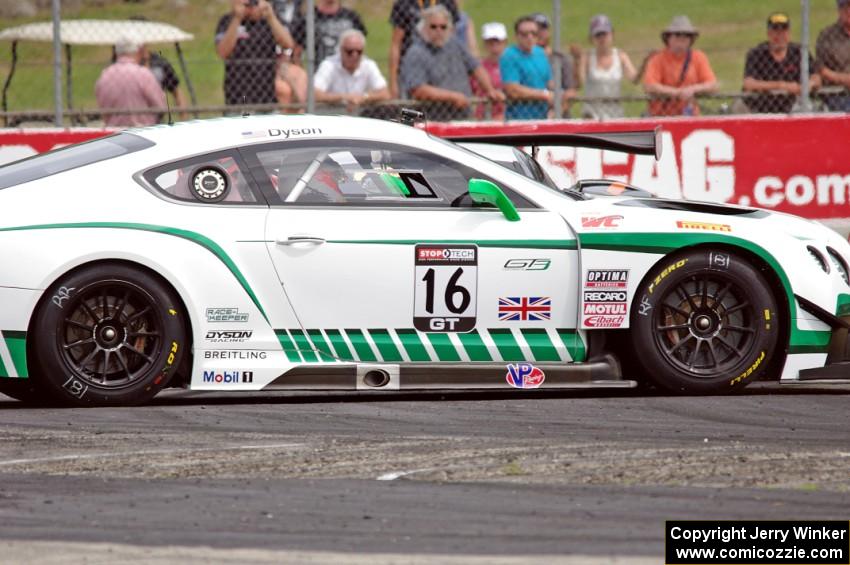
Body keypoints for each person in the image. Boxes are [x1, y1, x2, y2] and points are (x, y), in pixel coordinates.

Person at [400, 5, 503, 121]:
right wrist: (452, 97)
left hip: (462, 115)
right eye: (433, 27)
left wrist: (489, 90)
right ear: (423, 28)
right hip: (430, 120)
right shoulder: (415, 53)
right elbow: (418, 90)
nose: (438, 31)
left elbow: (475, 67)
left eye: (443, 27)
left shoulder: (455, 44)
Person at [215, 0, 294, 107]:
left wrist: (270, 17)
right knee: (243, 116)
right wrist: (237, 19)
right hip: (238, 94)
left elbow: (288, 44)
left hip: (267, 93)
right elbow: (222, 52)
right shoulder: (226, 21)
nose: (250, 6)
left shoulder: (268, 21)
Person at [743, 12, 820, 114]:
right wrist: (781, 86)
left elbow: (817, 79)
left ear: (789, 33)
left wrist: (808, 85)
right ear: (769, 33)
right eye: (775, 31)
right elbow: (749, 84)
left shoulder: (799, 52)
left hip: (793, 107)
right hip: (760, 107)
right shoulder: (757, 53)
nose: (780, 36)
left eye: (783, 31)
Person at [642, 15, 717, 116]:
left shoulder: (699, 57)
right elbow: (649, 86)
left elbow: (712, 84)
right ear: (668, 38)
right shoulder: (657, 59)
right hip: (661, 116)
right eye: (677, 34)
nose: (682, 38)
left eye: (686, 35)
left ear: (691, 39)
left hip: (690, 116)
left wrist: (693, 89)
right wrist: (676, 93)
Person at [389, 0, 460, 99]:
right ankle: (414, 115)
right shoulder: (404, 4)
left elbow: (452, 38)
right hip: (410, 68)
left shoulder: (447, 2)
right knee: (409, 108)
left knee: (443, 102)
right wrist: (393, 82)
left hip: (442, 67)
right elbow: (396, 44)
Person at [576, 14, 637, 120]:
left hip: (615, 114)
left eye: (604, 34)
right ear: (592, 38)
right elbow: (580, 83)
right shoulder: (587, 57)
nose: (602, 38)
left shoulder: (621, 56)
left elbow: (634, 79)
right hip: (592, 114)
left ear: (612, 34)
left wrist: (646, 64)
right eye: (598, 35)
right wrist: (577, 62)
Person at [314, 29, 390, 114]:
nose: (355, 55)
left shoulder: (368, 65)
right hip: (332, 116)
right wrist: (344, 98)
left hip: (360, 118)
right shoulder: (328, 65)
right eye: (349, 52)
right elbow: (315, 94)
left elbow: (385, 93)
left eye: (359, 52)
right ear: (341, 50)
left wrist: (363, 98)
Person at [95, 38, 165, 127]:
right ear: (137, 51)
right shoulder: (143, 74)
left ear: (116, 52)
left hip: (114, 133)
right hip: (142, 131)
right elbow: (160, 105)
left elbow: (102, 107)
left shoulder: (105, 75)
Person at [500, 16, 552, 120]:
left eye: (534, 33)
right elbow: (512, 90)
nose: (530, 37)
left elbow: (549, 83)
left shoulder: (540, 54)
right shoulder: (510, 55)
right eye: (524, 34)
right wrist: (543, 94)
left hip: (542, 117)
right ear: (516, 36)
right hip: (518, 119)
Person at [290, 0, 367, 67]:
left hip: (347, 73)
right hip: (320, 73)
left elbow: (360, 48)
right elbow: (297, 53)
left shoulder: (351, 16)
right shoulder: (309, 18)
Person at [530, 12, 577, 116]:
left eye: (543, 28)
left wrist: (556, 113)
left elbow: (571, 91)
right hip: (529, 114)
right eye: (535, 30)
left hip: (559, 116)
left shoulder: (561, 59)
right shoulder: (521, 60)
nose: (540, 33)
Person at [816, 0, 850, 112]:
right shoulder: (827, 36)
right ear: (839, 10)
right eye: (844, 7)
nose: (848, 11)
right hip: (837, 94)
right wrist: (844, 79)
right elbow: (822, 70)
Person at [471, 22, 507, 120]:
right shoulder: (478, 67)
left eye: (497, 41)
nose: (494, 45)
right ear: (484, 43)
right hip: (483, 116)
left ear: (505, 42)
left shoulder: (511, 65)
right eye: (490, 41)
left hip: (507, 115)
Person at [275, 46, 308, 113]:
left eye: (283, 55)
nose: (281, 59)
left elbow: (299, 103)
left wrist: (290, 80)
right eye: (278, 56)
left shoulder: (299, 72)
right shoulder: (268, 71)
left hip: (293, 116)